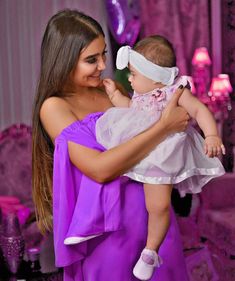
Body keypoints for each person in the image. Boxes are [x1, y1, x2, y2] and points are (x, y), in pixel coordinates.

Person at [32, 9, 190, 281]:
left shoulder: (109, 93)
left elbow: (153, 137)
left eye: (104, 54)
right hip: (107, 228)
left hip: (153, 219)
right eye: (91, 60)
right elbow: (99, 169)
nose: (103, 65)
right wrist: (163, 126)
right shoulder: (54, 106)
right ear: (64, 60)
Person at [95, 36, 225, 280]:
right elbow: (129, 110)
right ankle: (148, 249)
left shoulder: (175, 91)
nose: (130, 79)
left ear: (154, 76)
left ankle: (150, 251)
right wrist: (115, 97)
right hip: (143, 150)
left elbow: (199, 109)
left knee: (158, 206)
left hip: (164, 154)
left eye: (133, 74)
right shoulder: (140, 95)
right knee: (145, 205)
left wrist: (211, 135)